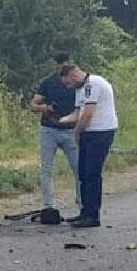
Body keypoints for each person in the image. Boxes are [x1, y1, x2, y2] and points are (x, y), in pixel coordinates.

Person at [58, 63, 118, 228]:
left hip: (100, 132)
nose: (69, 87)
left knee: (92, 173)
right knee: (83, 173)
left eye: (68, 83)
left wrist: (76, 132)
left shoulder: (94, 83)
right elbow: (77, 114)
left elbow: (88, 114)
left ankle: (93, 215)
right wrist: (60, 120)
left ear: (73, 76)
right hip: (88, 132)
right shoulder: (80, 89)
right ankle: (85, 212)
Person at [29, 52, 79, 215]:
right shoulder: (47, 83)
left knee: (79, 168)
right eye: (60, 65)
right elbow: (34, 105)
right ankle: (49, 206)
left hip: (71, 130)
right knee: (46, 169)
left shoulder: (76, 83)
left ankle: (82, 203)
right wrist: (47, 108)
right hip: (49, 129)